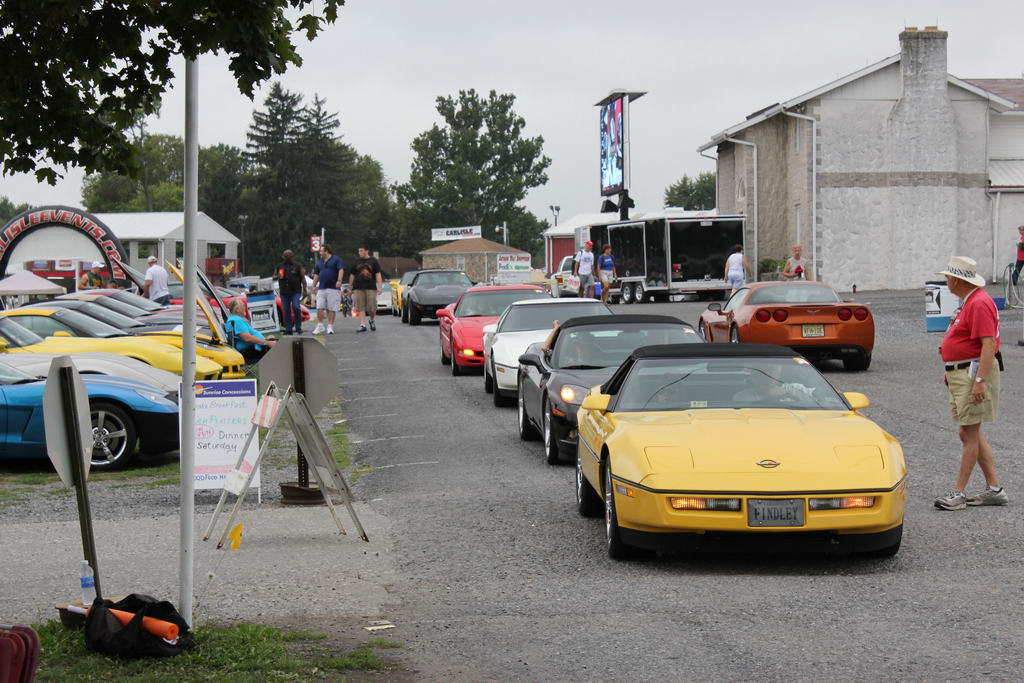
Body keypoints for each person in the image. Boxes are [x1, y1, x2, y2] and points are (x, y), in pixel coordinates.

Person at [933, 256, 1007, 511]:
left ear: (955, 279)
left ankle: (959, 492)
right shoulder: (971, 301)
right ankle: (994, 489)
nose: (946, 282)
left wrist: (979, 381)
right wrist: (951, 367)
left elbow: (988, 344)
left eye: (947, 278)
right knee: (972, 432)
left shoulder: (978, 303)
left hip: (972, 373)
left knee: (968, 434)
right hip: (964, 372)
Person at [312, 244, 345, 335]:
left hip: (333, 288)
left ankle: (330, 326)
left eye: (321, 251)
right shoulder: (319, 262)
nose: (320, 252)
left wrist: (339, 280)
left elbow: (341, 270)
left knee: (331, 308)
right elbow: (316, 274)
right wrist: (314, 286)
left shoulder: (336, 259)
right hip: (321, 287)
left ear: (326, 251)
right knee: (319, 306)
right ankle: (320, 325)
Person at [273, 249, 307, 335]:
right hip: (284, 292)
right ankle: (288, 329)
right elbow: (274, 277)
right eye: (285, 256)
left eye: (288, 256)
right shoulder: (279, 266)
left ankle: (298, 327)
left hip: (295, 291)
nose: (286, 258)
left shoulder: (298, 266)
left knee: (296, 307)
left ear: (292, 257)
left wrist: (305, 289)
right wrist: (278, 276)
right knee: (286, 310)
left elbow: (303, 278)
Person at [349, 247, 383, 332]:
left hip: (371, 287)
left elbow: (378, 274)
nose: (359, 252)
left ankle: (371, 320)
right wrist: (350, 286)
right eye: (358, 251)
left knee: (371, 308)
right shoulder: (356, 262)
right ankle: (362, 325)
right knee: (361, 307)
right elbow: (352, 275)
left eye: (361, 251)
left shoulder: (373, 261)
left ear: (367, 251)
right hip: (358, 287)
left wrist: (380, 286)